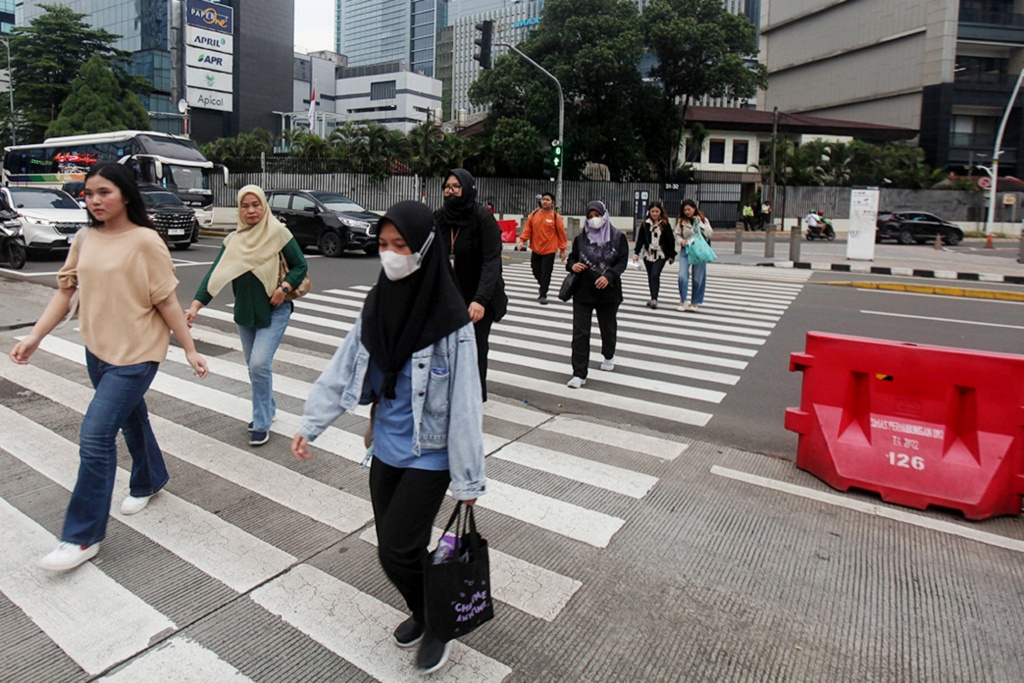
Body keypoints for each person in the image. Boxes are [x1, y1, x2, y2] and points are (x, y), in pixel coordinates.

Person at [291, 201, 486, 675]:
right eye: (383, 245)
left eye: (401, 245)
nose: (390, 255)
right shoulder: (377, 304)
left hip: (430, 453)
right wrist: (310, 424)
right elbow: (344, 367)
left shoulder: (452, 321)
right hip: (385, 447)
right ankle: (426, 609)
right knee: (398, 549)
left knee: (395, 548)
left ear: (424, 247)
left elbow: (465, 404)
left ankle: (437, 622)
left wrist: (468, 480)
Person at [10, 161, 209, 572]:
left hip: (137, 353)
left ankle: (81, 537)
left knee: (95, 435)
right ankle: (150, 479)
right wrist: (34, 336)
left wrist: (189, 349)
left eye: (104, 192)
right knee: (132, 419)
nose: (95, 200)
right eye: (89, 194)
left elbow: (167, 301)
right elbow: (65, 293)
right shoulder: (85, 238)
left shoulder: (146, 241)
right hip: (98, 350)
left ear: (125, 195)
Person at [185, 186, 308, 446]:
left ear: (264, 206)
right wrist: (196, 306)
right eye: (245, 205)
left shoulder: (278, 233)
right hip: (245, 313)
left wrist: (284, 288)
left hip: (275, 311)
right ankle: (268, 409)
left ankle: (261, 421)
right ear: (239, 209)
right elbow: (214, 274)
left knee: (259, 364)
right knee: (255, 368)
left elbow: (300, 265)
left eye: (256, 204)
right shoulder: (234, 241)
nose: (251, 210)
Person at [435, 168, 507, 400]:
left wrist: (480, 300)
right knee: (446, 348)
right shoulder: (439, 218)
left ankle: (474, 398)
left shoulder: (482, 219)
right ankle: (450, 395)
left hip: (478, 297)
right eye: (447, 187)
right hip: (449, 297)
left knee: (474, 347)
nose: (451, 191)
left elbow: (491, 262)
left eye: (456, 187)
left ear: (467, 188)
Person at [565, 200, 629, 388]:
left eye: (597, 215)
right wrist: (572, 265)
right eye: (590, 216)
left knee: (607, 327)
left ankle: (609, 354)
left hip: (608, 291)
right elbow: (572, 257)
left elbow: (622, 261)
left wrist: (609, 276)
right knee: (580, 332)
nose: (594, 219)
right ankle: (579, 373)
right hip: (583, 291)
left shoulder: (617, 237)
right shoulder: (581, 239)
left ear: (604, 215)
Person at [517, 191, 567, 305]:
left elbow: (561, 234)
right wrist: (522, 240)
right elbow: (528, 229)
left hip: (550, 250)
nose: (545, 201)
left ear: (552, 203)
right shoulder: (534, 214)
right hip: (536, 248)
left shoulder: (556, 217)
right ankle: (543, 285)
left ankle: (543, 294)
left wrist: (563, 250)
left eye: (547, 200)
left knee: (546, 273)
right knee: (535, 270)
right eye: (543, 199)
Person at [632, 202, 676, 309]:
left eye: (657, 211)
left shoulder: (664, 224)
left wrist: (671, 255)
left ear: (660, 212)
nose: (655, 213)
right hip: (648, 254)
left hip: (661, 254)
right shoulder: (645, 224)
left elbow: (670, 240)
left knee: (655, 274)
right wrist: (636, 253)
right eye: (652, 211)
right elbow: (640, 240)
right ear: (649, 212)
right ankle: (653, 297)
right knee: (650, 275)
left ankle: (654, 298)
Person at [675, 199, 714, 313]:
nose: (687, 212)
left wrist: (700, 223)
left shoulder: (703, 220)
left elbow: (710, 234)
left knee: (698, 277)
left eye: (689, 209)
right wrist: (681, 241)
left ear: (694, 209)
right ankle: (683, 300)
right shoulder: (681, 221)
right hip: (686, 249)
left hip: (699, 251)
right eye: (685, 210)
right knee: (682, 275)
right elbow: (677, 234)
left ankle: (695, 302)